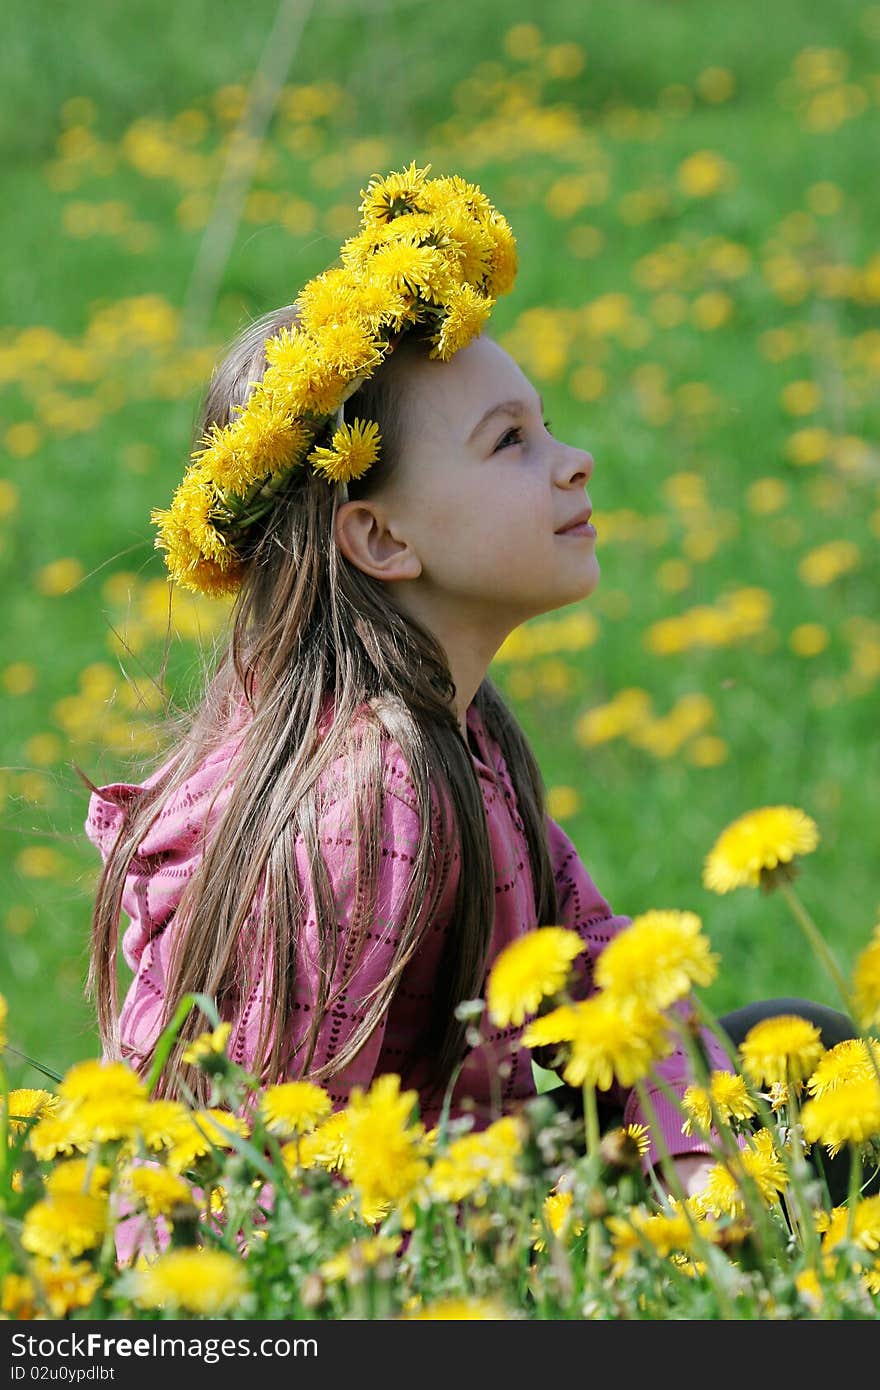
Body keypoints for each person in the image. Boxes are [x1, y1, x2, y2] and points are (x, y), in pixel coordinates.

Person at [79, 163, 848, 1214]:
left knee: (802, 1051)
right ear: (382, 537)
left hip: (461, 1202)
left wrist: (695, 1159)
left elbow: (596, 968)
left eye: (546, 426)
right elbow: (284, 1182)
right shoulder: (365, 800)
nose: (574, 462)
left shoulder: (462, 726)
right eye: (511, 443)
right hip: (357, 1280)